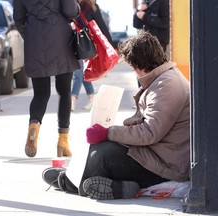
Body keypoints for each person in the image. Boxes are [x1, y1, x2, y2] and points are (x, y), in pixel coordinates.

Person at [42, 31, 190, 200]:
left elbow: (149, 133)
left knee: (102, 156)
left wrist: (109, 132)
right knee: (100, 149)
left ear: (139, 67)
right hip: (157, 155)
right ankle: (115, 186)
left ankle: (68, 182)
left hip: (165, 167)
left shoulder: (166, 86)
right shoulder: (164, 79)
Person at [13, 0, 81, 158]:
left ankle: (34, 126)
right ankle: (63, 141)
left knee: (41, 93)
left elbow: (18, 19)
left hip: (35, 40)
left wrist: (30, 34)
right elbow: (71, 10)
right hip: (61, 38)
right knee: (64, 92)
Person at [71, 0, 114, 112]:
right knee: (81, 72)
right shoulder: (71, 5)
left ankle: (72, 99)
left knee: (78, 73)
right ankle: (92, 98)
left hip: (85, 44)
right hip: (73, 41)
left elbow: (101, 26)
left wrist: (110, 44)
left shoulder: (90, 6)